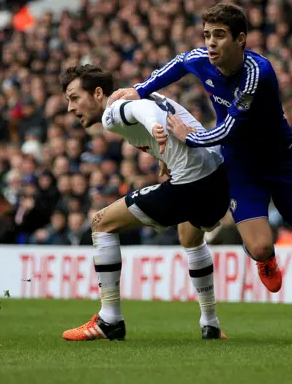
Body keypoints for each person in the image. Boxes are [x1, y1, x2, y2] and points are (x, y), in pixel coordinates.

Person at [108, 3, 292, 340]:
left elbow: (229, 129)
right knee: (260, 249)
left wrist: (190, 136)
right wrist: (141, 89)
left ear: (240, 40)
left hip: (282, 163)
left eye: (220, 36)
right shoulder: (201, 58)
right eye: (207, 35)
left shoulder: (258, 73)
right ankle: (265, 260)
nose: (211, 43)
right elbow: (179, 63)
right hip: (242, 168)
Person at [60, 65, 230, 341]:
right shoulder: (148, 92)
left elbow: (139, 111)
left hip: (191, 185)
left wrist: (154, 126)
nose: (70, 107)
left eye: (74, 97)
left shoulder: (114, 110)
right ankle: (210, 323)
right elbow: (171, 116)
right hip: (219, 182)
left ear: (98, 93)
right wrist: (165, 158)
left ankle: (109, 320)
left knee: (101, 224)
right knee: (190, 237)